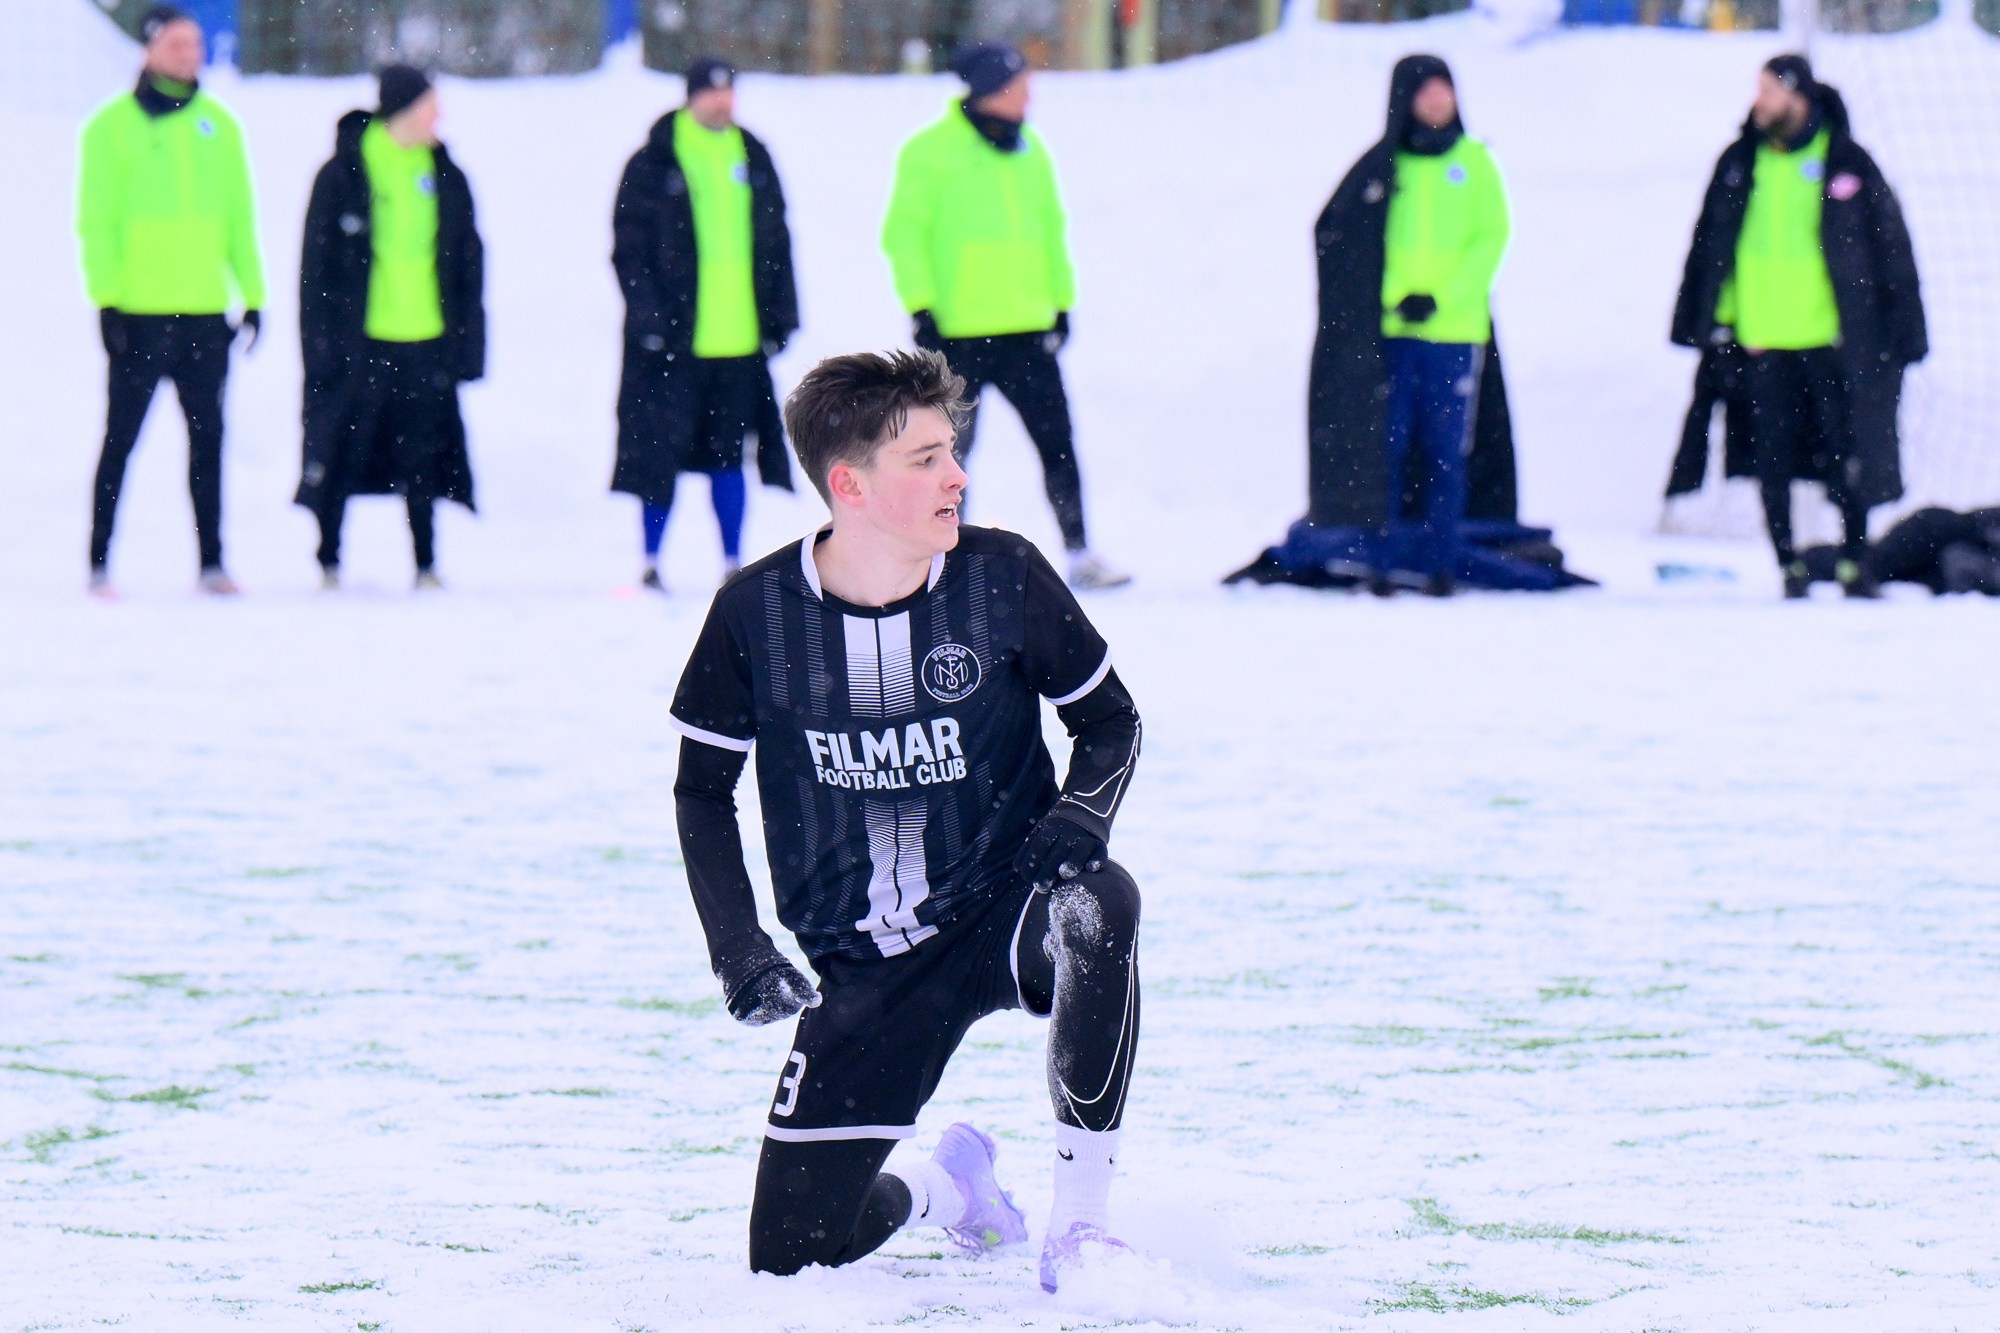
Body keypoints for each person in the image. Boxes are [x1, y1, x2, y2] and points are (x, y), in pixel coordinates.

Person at [669, 350, 1143, 1291]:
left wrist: (1084, 819)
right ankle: (949, 1187)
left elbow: (1109, 721)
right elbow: (699, 790)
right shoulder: (751, 615)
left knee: (1100, 903)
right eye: (926, 458)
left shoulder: (1003, 574)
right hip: (862, 969)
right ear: (848, 483)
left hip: (1003, 909)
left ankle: (1081, 1227)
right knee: (794, 1258)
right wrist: (739, 946)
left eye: (953, 451)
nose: (957, 475)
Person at [1672, 54, 1926, 599]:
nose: (1758, 101)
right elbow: (1712, 246)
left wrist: (1903, 326)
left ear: (1798, 97)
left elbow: (1889, 247)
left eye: (1769, 91)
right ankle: (1788, 563)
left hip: (1829, 340)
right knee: (1770, 459)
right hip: (1762, 342)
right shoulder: (1740, 163)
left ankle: (1856, 559)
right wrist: (1714, 321)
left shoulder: (1845, 162)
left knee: (1846, 454)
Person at [881, 43, 1127, 590]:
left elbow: (1051, 232)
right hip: (958, 333)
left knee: (1057, 442)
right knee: (945, 457)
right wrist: (920, 303)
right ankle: (940, 561)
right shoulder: (930, 151)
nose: (1030, 95)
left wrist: (1060, 303)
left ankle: (1080, 550)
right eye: (1021, 85)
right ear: (993, 89)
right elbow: (905, 235)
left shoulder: (1030, 150)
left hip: (1026, 329)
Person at [77, 3, 264, 598]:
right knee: (121, 441)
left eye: (195, 45)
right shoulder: (110, 128)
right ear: (151, 50)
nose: (191, 55)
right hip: (140, 313)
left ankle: (212, 561)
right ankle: (99, 560)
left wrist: (252, 295)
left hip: (205, 313)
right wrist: (107, 299)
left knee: (209, 441)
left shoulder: (220, 126)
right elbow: (96, 221)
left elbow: (240, 219)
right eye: (178, 45)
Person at [612, 57, 798, 592]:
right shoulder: (654, 162)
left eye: (729, 92)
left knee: (730, 454)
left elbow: (777, 243)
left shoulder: (752, 156)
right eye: (711, 93)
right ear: (689, 97)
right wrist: (648, 318)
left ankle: (732, 560)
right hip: (672, 346)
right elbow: (629, 251)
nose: (722, 102)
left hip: (737, 342)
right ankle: (650, 561)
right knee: (658, 454)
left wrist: (781, 315)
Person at [297, 65, 483, 591]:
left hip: (426, 342)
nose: (439, 117)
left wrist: (468, 343)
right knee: (342, 449)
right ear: (404, 110)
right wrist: (320, 344)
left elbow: (469, 264)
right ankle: (329, 560)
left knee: (423, 456)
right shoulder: (345, 172)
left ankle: (425, 562)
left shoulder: (446, 174)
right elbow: (317, 269)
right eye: (430, 106)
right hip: (361, 344)